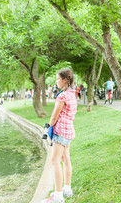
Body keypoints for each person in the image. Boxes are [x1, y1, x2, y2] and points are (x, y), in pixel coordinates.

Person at [42, 69, 77, 203]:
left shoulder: (62, 96)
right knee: (66, 159)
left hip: (60, 131)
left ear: (65, 80)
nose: (56, 82)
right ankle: (67, 189)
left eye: (57, 79)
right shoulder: (71, 94)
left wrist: (49, 125)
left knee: (54, 160)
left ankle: (57, 196)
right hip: (68, 131)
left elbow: (54, 116)